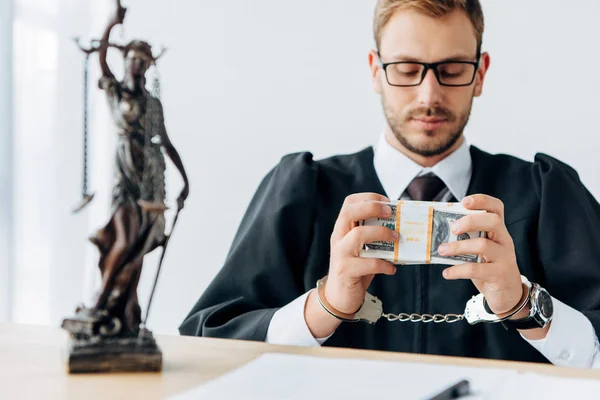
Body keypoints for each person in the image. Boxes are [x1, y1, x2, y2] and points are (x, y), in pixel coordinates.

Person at [179, 0, 600, 368]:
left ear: (480, 73)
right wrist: (322, 308)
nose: (428, 94)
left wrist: (525, 304)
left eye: (452, 69)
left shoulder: (547, 195)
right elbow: (207, 345)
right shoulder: (303, 191)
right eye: (406, 69)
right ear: (376, 72)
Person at [88, 3, 189, 336]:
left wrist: (185, 180)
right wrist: (110, 25)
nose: (138, 66)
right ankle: (99, 304)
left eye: (143, 62)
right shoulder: (116, 93)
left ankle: (127, 312)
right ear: (126, 62)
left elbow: (167, 142)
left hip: (151, 185)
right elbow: (100, 59)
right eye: (133, 60)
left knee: (140, 250)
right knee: (125, 239)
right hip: (125, 181)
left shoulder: (152, 103)